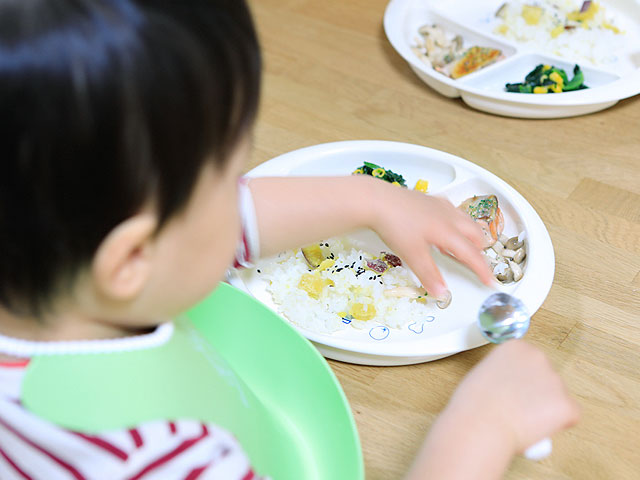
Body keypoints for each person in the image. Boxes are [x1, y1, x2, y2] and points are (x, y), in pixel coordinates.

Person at [0, 0, 578, 478]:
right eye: (229, 181)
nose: (244, 196)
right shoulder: (162, 459)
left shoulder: (58, 268)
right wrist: (479, 431)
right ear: (130, 259)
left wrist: (371, 197)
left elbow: (210, 230)